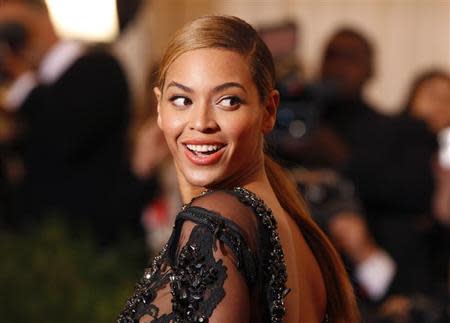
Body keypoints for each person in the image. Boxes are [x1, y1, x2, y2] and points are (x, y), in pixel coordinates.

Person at [118, 15, 358, 323]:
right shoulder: (292, 228)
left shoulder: (215, 225)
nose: (201, 122)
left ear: (268, 111)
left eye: (228, 101)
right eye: (181, 100)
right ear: (159, 108)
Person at [0, 0, 139, 244]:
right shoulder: (25, 92)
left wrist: (22, 83)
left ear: (41, 14)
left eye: (12, 31)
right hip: (34, 247)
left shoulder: (99, 67)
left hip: (86, 251)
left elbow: (63, 135)